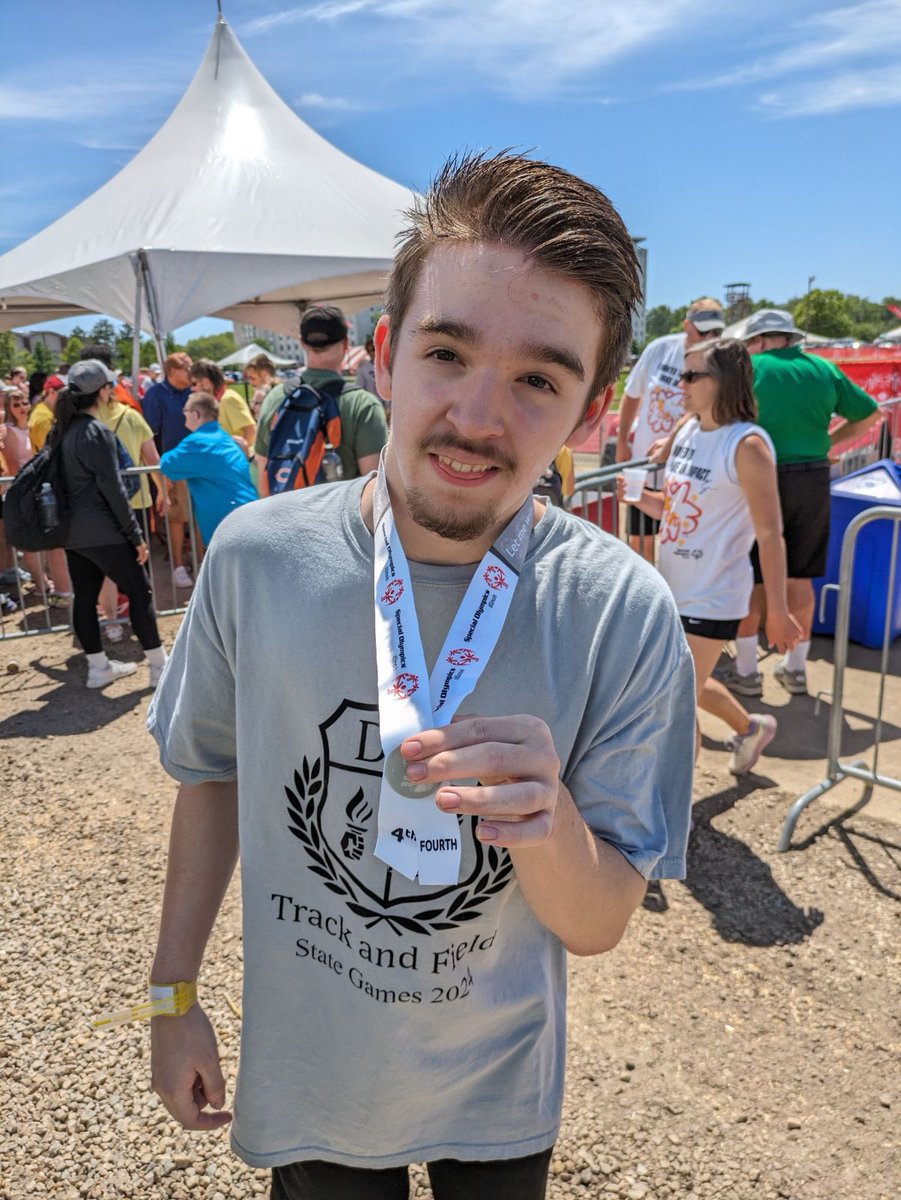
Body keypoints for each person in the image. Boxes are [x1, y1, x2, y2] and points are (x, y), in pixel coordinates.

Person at [147, 151, 695, 1200]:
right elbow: (208, 773)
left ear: (589, 413)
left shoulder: (621, 611)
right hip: (312, 1076)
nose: (479, 417)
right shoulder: (257, 560)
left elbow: (597, 921)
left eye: (539, 377)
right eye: (448, 352)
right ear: (388, 355)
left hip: (497, 1098)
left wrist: (551, 826)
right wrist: (170, 1000)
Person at [620, 338, 801, 774]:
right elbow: (678, 509)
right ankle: (751, 726)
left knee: (674, 703)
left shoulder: (747, 445)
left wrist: (776, 609)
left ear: (722, 381)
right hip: (672, 587)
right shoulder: (686, 430)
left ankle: (673, 815)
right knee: (687, 683)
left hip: (714, 596)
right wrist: (641, 498)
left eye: (690, 375)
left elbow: (770, 533)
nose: (677, 384)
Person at [719, 309, 880, 697]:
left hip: (759, 476)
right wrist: (830, 445)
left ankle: (746, 670)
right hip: (811, 477)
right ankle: (795, 667)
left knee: (751, 575)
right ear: (790, 337)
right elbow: (868, 413)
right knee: (800, 577)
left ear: (759, 340)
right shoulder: (822, 369)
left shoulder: (750, 368)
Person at [50, 360, 167, 689]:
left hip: (73, 533)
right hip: (105, 531)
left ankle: (98, 668)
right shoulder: (95, 432)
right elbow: (113, 490)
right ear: (103, 391)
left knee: (85, 598)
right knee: (140, 594)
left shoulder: (61, 431)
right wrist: (135, 536)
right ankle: (159, 665)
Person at [617, 298, 726, 561]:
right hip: (646, 464)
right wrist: (622, 442)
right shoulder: (660, 348)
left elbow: (715, 408)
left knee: (678, 540)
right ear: (687, 324)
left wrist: (673, 439)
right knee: (639, 542)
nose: (709, 337)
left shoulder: (720, 359)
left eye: (716, 332)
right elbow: (632, 394)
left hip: (685, 471)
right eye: (703, 331)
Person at [254, 304, 388, 494]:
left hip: (282, 518)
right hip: (335, 521)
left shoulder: (274, 398)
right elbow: (375, 492)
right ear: (345, 344)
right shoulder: (363, 405)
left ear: (302, 342)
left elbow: (264, 478)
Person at [97, 379, 170, 642]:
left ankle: (112, 622)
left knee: (107, 566)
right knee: (139, 561)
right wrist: (163, 492)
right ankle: (144, 621)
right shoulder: (132, 417)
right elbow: (153, 461)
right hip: (135, 500)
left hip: (100, 504)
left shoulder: (86, 419)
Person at [159, 392, 258, 547]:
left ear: (196, 414)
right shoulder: (225, 438)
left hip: (228, 525)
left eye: (185, 412)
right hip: (248, 516)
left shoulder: (199, 442)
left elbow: (168, 464)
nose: (183, 416)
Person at [142, 352, 195, 589]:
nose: (192, 372)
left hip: (199, 466)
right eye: (188, 368)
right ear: (173, 371)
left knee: (198, 516)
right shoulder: (155, 394)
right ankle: (178, 566)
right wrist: (161, 473)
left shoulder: (195, 393)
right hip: (173, 467)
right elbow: (151, 435)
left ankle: (201, 560)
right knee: (176, 518)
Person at [25, 373, 73, 605]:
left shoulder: (46, 414)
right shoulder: (44, 419)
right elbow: (53, 454)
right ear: (51, 392)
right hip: (50, 486)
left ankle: (64, 588)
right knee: (56, 542)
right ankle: (64, 591)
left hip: (50, 484)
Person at [188, 359, 256, 450]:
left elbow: (250, 432)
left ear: (206, 382)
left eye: (194, 383)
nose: (192, 389)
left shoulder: (228, 399)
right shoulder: (216, 402)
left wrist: (234, 456)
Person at [244, 353, 278, 420]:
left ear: (264, 374)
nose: (250, 383)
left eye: (252, 378)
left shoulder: (263, 393)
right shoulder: (281, 389)